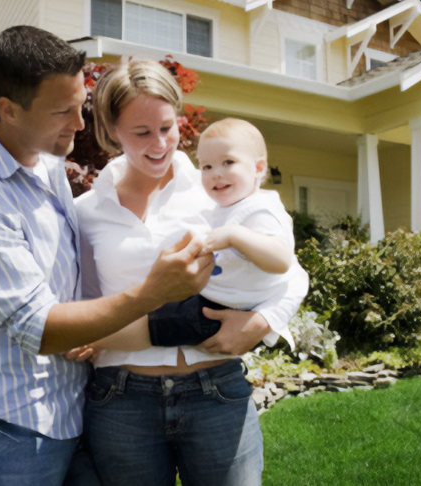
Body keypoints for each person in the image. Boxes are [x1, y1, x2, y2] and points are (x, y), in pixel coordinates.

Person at [0, 26, 213, 486]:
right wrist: (153, 292)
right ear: (7, 110)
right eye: (63, 111)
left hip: (75, 413)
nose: (81, 124)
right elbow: (36, 328)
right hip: (12, 429)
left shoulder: (49, 165)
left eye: (80, 105)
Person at [75, 59, 308, 486]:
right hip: (122, 401)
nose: (160, 144)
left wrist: (261, 322)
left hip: (214, 390)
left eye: (167, 127)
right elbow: (84, 303)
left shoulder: (215, 188)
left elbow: (292, 272)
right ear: (111, 132)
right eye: (141, 133)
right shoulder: (85, 214)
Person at [92, 117, 298, 351]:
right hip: (219, 301)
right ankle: (95, 338)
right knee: (160, 317)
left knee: (155, 325)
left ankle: (93, 341)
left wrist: (233, 236)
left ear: (258, 168)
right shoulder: (224, 207)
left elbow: (282, 262)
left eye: (228, 162)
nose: (215, 174)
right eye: (207, 166)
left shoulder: (259, 209)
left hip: (228, 310)